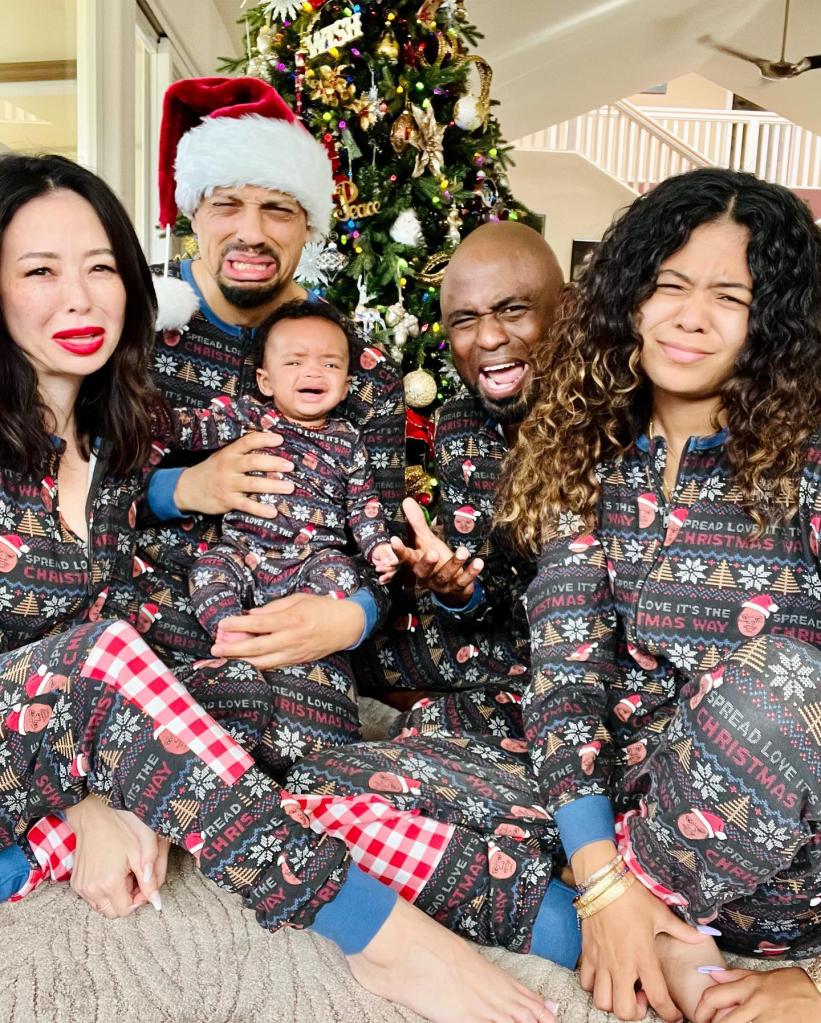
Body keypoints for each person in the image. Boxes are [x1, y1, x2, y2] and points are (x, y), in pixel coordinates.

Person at [0, 152, 557, 1023]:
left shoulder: (108, 439)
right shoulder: (149, 398)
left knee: (295, 768)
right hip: (42, 727)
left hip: (108, 718)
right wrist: (92, 793)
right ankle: (386, 941)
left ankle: (555, 918)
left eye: (100, 266)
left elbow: (360, 524)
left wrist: (351, 609)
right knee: (109, 657)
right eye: (40, 269)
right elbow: (79, 656)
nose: (78, 297)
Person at [496, 167, 821, 1022]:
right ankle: (646, 932)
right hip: (638, 806)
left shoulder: (809, 461)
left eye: (729, 296)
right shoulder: (585, 456)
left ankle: (627, 926)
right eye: (668, 285)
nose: (687, 316)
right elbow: (565, 671)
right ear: (629, 301)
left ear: (773, 326)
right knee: (353, 782)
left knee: (781, 689)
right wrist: (601, 869)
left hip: (788, 853)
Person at [127, 75, 405, 762]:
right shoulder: (130, 336)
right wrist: (179, 489)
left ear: (308, 222)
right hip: (159, 603)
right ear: (194, 208)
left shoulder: (362, 372)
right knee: (170, 757)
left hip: (302, 599)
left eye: (278, 209)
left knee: (311, 766)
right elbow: (60, 498)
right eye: (227, 204)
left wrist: (352, 616)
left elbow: (382, 529)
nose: (251, 232)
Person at [354, 221, 564, 737]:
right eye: (465, 320)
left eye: (513, 310)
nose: (489, 337)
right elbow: (482, 590)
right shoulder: (458, 425)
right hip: (494, 644)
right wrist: (455, 588)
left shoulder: (615, 427)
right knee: (349, 657)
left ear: (568, 312)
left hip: (584, 664)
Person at [154, 300, 398, 642]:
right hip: (243, 549)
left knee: (341, 573)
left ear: (345, 386)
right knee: (208, 570)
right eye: (294, 362)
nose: (313, 372)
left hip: (312, 559)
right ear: (266, 382)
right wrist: (156, 419)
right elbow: (199, 428)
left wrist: (378, 547)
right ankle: (232, 629)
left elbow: (363, 506)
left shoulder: (348, 440)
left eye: (329, 363)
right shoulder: (251, 416)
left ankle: (283, 631)